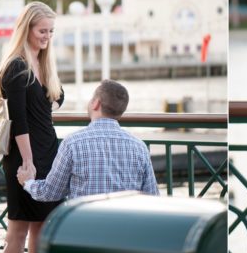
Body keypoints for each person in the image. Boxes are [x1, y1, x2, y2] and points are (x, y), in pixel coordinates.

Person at [0, 1, 65, 253]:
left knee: (42, 225)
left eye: (51, 31)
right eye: (42, 31)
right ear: (27, 29)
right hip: (25, 157)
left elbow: (58, 97)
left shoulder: (43, 62)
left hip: (50, 152)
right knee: (19, 225)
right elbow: (18, 120)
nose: (47, 36)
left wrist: (43, 110)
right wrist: (28, 163)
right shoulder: (16, 66)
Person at [17, 79, 158, 200]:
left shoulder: (72, 143)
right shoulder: (140, 147)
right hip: (126, 229)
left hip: (83, 228)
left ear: (96, 103)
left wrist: (28, 182)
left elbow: (51, 192)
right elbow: (152, 196)